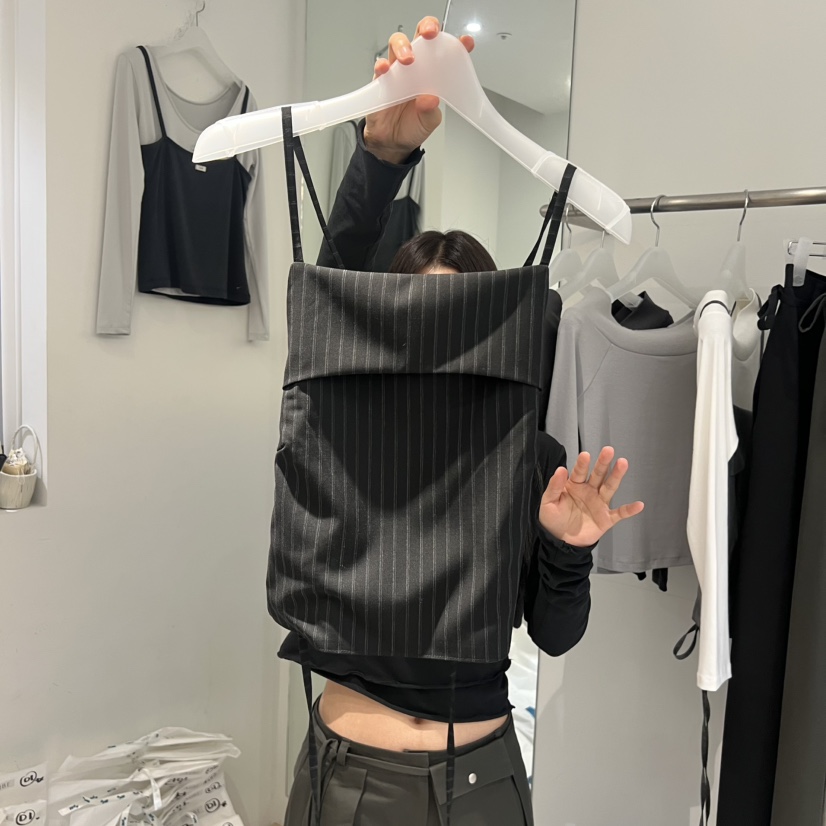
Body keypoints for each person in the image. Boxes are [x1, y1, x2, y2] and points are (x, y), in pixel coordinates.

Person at [280, 16, 644, 826]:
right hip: (344, 781)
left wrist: (567, 550)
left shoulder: (530, 455)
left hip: (482, 785)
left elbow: (554, 635)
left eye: (458, 324)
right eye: (416, 320)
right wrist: (380, 160)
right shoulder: (346, 428)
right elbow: (331, 297)